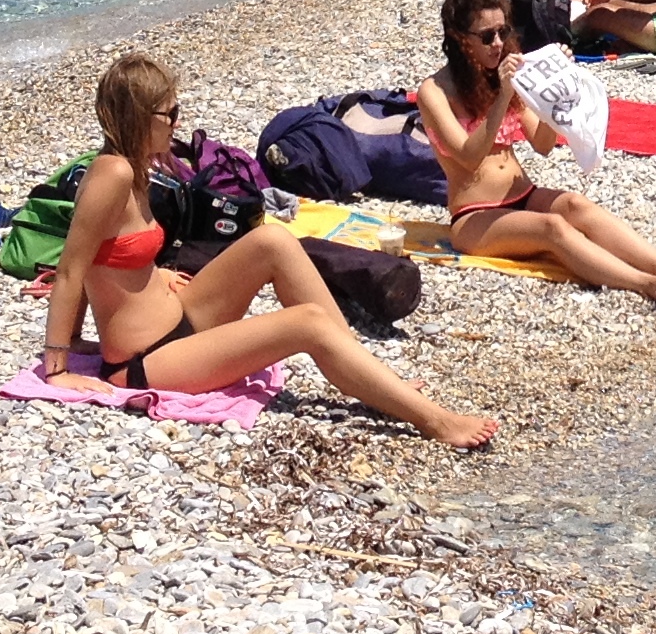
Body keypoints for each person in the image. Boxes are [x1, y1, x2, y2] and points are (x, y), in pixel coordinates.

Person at [37, 52, 497, 450]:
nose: (178, 122)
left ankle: (368, 375)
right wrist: (58, 364)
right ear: (139, 118)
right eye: (169, 114)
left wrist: (155, 278)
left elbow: (111, 260)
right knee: (308, 324)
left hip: (178, 318)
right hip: (146, 362)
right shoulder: (111, 174)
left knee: (272, 239)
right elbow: (73, 268)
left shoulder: (137, 169)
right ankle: (435, 421)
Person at [417, 0, 656, 303]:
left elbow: (543, 144)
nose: (498, 43)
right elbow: (468, 156)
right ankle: (645, 283)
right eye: (486, 36)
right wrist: (504, 95)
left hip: (523, 194)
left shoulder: (500, 77)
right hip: (474, 216)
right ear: (458, 38)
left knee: (575, 204)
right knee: (552, 228)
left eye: (502, 32)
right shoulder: (435, 91)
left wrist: (556, 91)